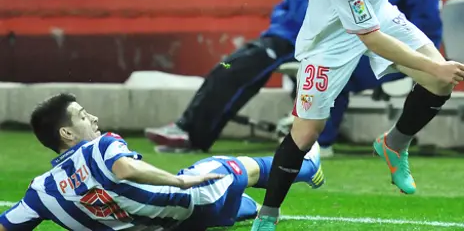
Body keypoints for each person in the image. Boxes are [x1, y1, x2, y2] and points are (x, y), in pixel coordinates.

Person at [250, 0, 464, 230]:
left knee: (440, 81)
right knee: (307, 133)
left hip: (378, 13)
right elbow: (372, 40)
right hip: (330, 41)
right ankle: (268, 214)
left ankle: (393, 145)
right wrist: (433, 65)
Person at [0, 93, 324, 231]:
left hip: (174, 225)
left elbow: (7, 225)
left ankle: (246, 206)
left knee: (231, 209)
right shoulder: (100, 146)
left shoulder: (41, 191)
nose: (94, 118)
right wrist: (179, 180)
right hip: (194, 198)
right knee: (241, 168)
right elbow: (125, 167)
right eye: (84, 116)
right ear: (67, 132)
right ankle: (310, 162)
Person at [144, 0, 319, 153]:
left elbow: (302, 19)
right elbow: (278, 15)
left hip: (283, 49)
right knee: (223, 70)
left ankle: (195, 139)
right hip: (268, 43)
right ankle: (183, 128)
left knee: (236, 80)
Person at [316, 0, 443, 155]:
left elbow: (426, 23)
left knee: (336, 72)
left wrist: (405, 50)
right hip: (367, 40)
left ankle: (322, 142)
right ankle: (313, 139)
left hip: (398, 41)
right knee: (320, 63)